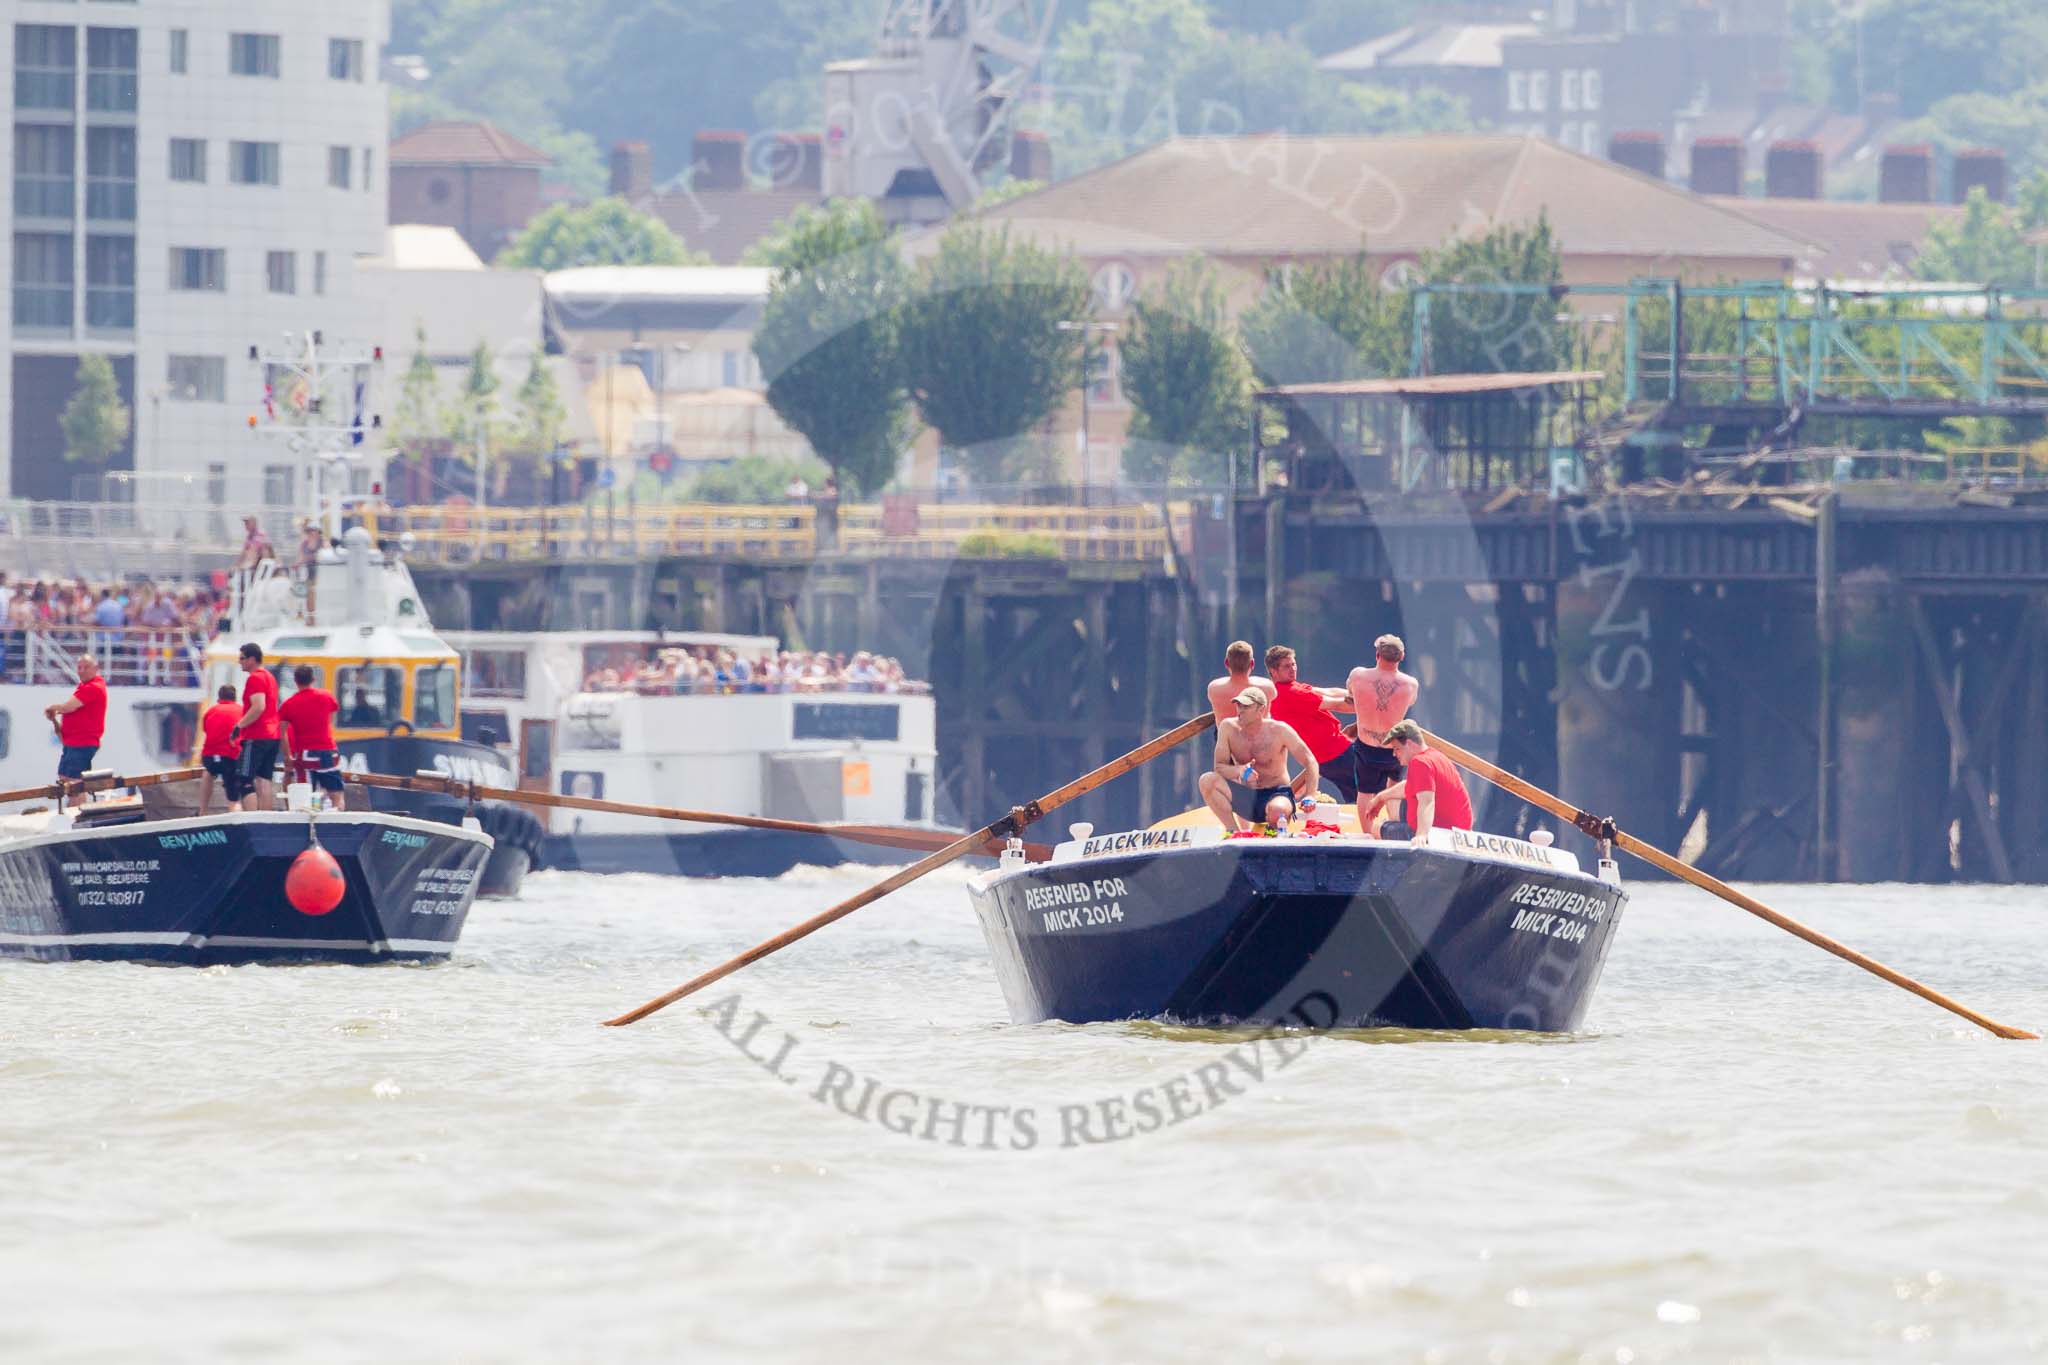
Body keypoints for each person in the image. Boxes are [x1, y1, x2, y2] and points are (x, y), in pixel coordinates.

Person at [1197, 689, 1318, 832]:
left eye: (1246, 706)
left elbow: (1310, 761)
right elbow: (1219, 767)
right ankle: (1233, 832)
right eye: (1238, 705)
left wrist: (1310, 795)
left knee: (1277, 809)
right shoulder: (1228, 727)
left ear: (1261, 709)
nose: (1240, 710)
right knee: (1207, 780)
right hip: (1247, 797)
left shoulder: (1280, 730)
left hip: (1276, 794)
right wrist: (1239, 770)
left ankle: (1273, 832)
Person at [1265, 644, 1369, 810]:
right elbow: (1339, 705)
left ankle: (1365, 827)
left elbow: (1329, 691)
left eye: (1293, 664)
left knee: (1357, 796)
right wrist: (1373, 702)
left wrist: (1353, 692)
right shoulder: (1292, 693)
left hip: (1325, 760)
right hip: (1339, 752)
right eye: (1286, 666)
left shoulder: (1283, 690)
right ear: (1273, 671)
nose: (1292, 669)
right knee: (1376, 781)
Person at [1344, 634, 1422, 831]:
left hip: (1367, 744)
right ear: (1401, 657)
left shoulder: (1358, 675)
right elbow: (1411, 701)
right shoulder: (1410, 684)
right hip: (1394, 747)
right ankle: (1393, 828)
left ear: (1377, 655)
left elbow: (1350, 693)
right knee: (1393, 789)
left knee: (1365, 792)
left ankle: (1367, 834)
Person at [1365, 720, 1475, 841]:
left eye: (1397, 748)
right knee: (1391, 799)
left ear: (1409, 744)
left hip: (1438, 833)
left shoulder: (1420, 763)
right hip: (1459, 830)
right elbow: (1411, 786)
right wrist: (1380, 798)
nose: (1394, 754)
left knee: (1374, 829)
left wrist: (1422, 835)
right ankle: (1391, 822)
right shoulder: (1436, 756)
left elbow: (1427, 802)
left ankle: (1390, 827)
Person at [279, 664, 346, 810]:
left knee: (305, 798)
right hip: (329, 751)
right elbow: (331, 719)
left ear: (295, 681)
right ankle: (337, 825)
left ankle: (307, 827)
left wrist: (287, 755)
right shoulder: (327, 696)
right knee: (337, 796)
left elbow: (282, 731)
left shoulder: (288, 705)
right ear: (313, 679)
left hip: (306, 755)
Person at [230, 642, 281, 811]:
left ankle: (252, 818)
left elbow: (259, 706)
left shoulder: (255, 678)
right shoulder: (269, 677)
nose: (240, 662)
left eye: (242, 658)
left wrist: (239, 725)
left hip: (257, 736)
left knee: (244, 780)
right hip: (272, 736)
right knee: (263, 779)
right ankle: (266, 819)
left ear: (252, 659)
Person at [44, 654, 107, 779]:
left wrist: (53, 708)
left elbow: (68, 707)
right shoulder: (85, 686)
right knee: (64, 777)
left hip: (82, 744)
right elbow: (68, 710)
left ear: (95, 669)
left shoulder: (93, 687)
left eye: (86, 667)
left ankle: (80, 799)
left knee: (74, 784)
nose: (82, 671)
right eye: (79, 668)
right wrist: (55, 716)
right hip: (73, 744)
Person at [197, 684, 244, 816]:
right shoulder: (241, 711)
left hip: (210, 757)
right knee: (233, 798)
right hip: (230, 756)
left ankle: (203, 811)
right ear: (235, 697)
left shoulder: (210, 711)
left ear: (219, 698)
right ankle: (235, 816)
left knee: (208, 773)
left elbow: (206, 729)